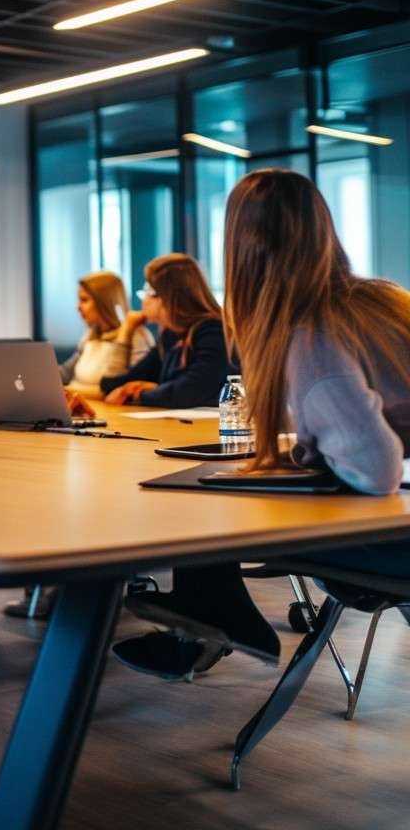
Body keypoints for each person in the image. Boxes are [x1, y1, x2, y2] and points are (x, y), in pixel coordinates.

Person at [113, 169, 410, 681]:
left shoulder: (312, 331)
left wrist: (315, 455)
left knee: (206, 503)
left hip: (394, 541)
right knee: (227, 494)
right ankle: (213, 616)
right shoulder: (381, 301)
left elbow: (376, 467)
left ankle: (216, 616)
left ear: (243, 249)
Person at [101, 253, 236, 408]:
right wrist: (126, 330)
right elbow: (113, 384)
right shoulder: (170, 334)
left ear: (168, 297)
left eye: (148, 292)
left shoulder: (213, 331)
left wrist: (140, 393)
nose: (143, 300)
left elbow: (188, 392)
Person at [59, 271, 155, 397]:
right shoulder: (90, 335)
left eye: (84, 300)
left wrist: (69, 391)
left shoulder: (137, 335)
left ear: (103, 302)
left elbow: (121, 388)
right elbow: (66, 373)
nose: (78, 307)